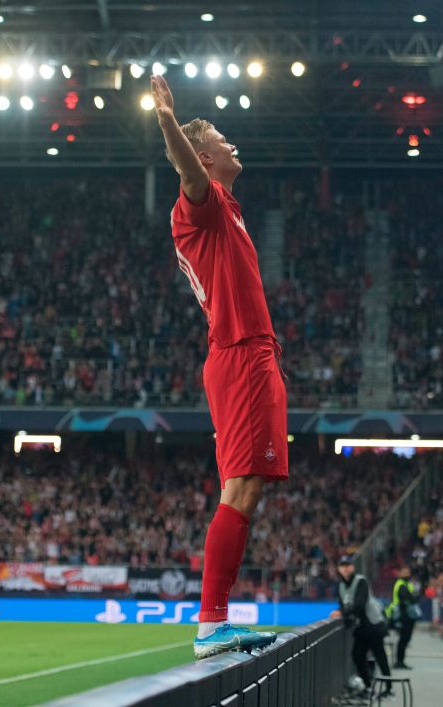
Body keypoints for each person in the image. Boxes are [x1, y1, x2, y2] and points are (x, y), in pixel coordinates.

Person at [151, 74, 288, 659]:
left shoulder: (227, 208)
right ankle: (211, 623)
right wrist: (167, 120)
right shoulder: (200, 206)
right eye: (224, 141)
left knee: (248, 486)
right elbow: (185, 169)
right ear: (206, 158)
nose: (235, 146)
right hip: (239, 352)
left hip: (247, 352)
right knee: (242, 486)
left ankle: (215, 621)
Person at [332, 555, 393, 697]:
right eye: (342, 566)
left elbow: (359, 604)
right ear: (339, 569)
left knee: (380, 656)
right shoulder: (341, 585)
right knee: (357, 655)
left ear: (353, 567)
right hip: (361, 627)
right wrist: (343, 613)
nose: (346, 569)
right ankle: (369, 687)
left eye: (348, 565)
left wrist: (341, 612)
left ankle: (389, 689)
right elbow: (344, 605)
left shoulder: (361, 581)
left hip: (373, 625)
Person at [386, 565, 418, 669]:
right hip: (402, 616)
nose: (406, 575)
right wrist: (413, 597)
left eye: (408, 572)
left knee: (404, 640)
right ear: (400, 573)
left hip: (406, 615)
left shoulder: (407, 584)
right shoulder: (401, 584)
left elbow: (414, 597)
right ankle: (399, 662)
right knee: (403, 639)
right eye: (404, 572)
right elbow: (410, 598)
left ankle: (400, 661)